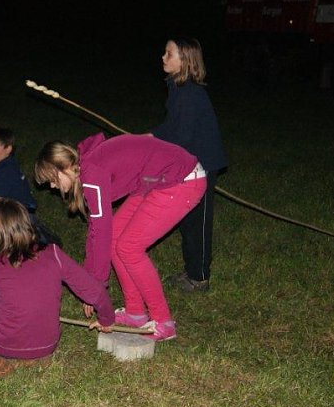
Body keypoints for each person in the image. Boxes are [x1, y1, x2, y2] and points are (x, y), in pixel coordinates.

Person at [34, 133, 206, 341]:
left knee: (129, 248)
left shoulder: (92, 175)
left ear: (63, 167)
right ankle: (135, 313)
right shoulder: (85, 168)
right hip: (155, 181)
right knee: (116, 238)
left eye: (52, 180)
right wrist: (90, 280)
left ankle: (163, 322)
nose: (52, 187)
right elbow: (96, 231)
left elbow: (101, 233)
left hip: (182, 179)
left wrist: (96, 287)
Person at [0, 199, 114, 377]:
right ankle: (34, 359)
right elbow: (95, 291)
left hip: (5, 344)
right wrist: (107, 319)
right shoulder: (53, 253)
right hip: (47, 345)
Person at [148, 37, 228, 292]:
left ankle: (199, 277)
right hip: (188, 163)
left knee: (198, 222)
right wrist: (150, 136)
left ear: (185, 61)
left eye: (169, 53)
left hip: (202, 164)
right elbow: (172, 126)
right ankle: (192, 270)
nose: (163, 57)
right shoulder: (177, 88)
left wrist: (155, 148)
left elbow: (182, 137)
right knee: (186, 218)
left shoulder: (191, 93)